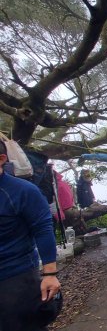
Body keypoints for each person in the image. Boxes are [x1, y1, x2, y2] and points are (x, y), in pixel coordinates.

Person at [0, 140, 62, 331]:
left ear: (1, 159)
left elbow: (43, 229)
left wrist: (50, 273)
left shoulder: (22, 191)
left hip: (16, 276)